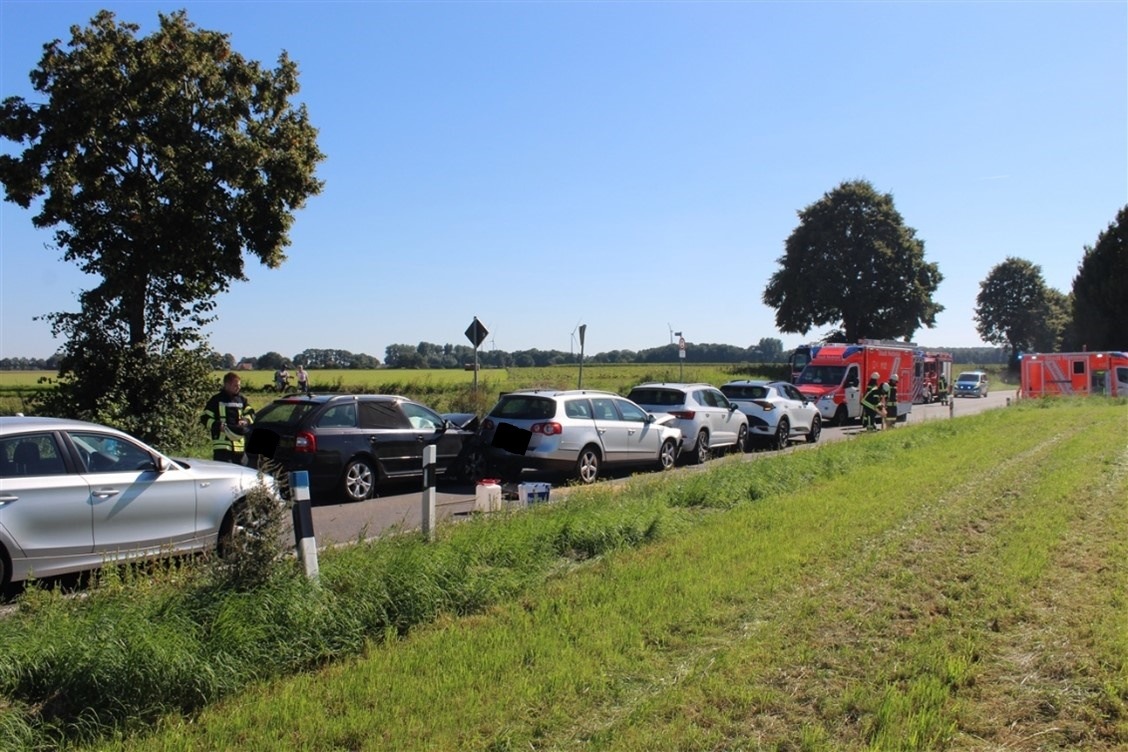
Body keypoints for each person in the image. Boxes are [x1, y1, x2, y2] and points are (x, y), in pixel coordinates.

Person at [200, 372, 255, 464]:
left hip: (239, 446)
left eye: (239, 385)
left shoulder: (242, 400)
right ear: (227, 385)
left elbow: (250, 413)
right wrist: (217, 425)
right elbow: (205, 418)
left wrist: (245, 420)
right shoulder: (216, 399)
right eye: (235, 385)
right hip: (222, 446)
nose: (238, 388)